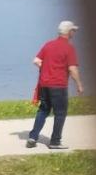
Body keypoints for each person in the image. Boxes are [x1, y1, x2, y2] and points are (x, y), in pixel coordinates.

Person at [27, 20, 85, 150]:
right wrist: (79, 85)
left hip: (44, 84)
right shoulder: (69, 48)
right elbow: (72, 69)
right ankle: (55, 141)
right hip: (58, 86)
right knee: (60, 113)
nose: (74, 33)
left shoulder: (48, 45)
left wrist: (47, 68)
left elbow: (36, 61)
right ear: (69, 32)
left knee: (43, 110)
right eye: (73, 30)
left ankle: (32, 137)